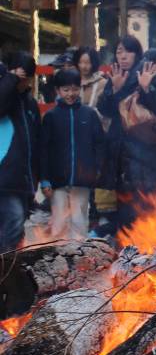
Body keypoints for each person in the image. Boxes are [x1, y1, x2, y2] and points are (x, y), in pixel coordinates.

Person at [98, 36, 156, 234]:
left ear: (137, 53)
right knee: (124, 214)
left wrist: (147, 89)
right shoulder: (116, 76)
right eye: (119, 51)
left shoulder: (149, 75)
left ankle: (152, 258)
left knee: (148, 212)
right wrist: (114, 89)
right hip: (121, 157)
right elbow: (105, 110)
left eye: (127, 51)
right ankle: (127, 259)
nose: (122, 56)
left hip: (146, 157)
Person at [39, 67, 106, 240]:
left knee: (79, 220)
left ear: (80, 87)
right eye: (66, 90)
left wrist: (97, 169)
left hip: (82, 179)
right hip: (57, 181)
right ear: (58, 91)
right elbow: (44, 149)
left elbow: (100, 144)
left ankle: (79, 260)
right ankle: (59, 259)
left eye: (75, 89)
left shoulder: (89, 115)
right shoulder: (51, 117)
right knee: (59, 221)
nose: (71, 94)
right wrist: (44, 179)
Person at [0, 52, 40, 252]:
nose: (24, 83)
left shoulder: (30, 104)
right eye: (21, 78)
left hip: (23, 180)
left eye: (27, 78)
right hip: (4, 177)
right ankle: (6, 269)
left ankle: (10, 271)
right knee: (13, 221)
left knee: (16, 229)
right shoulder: (6, 97)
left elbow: (35, 144)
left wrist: (35, 181)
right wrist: (11, 79)